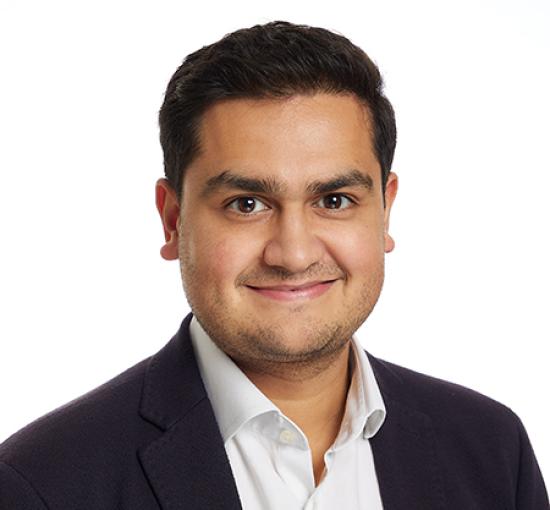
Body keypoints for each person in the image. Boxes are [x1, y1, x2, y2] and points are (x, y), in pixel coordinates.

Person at [0, 20, 547, 510]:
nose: (294, 254)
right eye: (247, 204)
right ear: (172, 220)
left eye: (334, 200)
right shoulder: (39, 484)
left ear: (385, 211)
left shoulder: (493, 451)